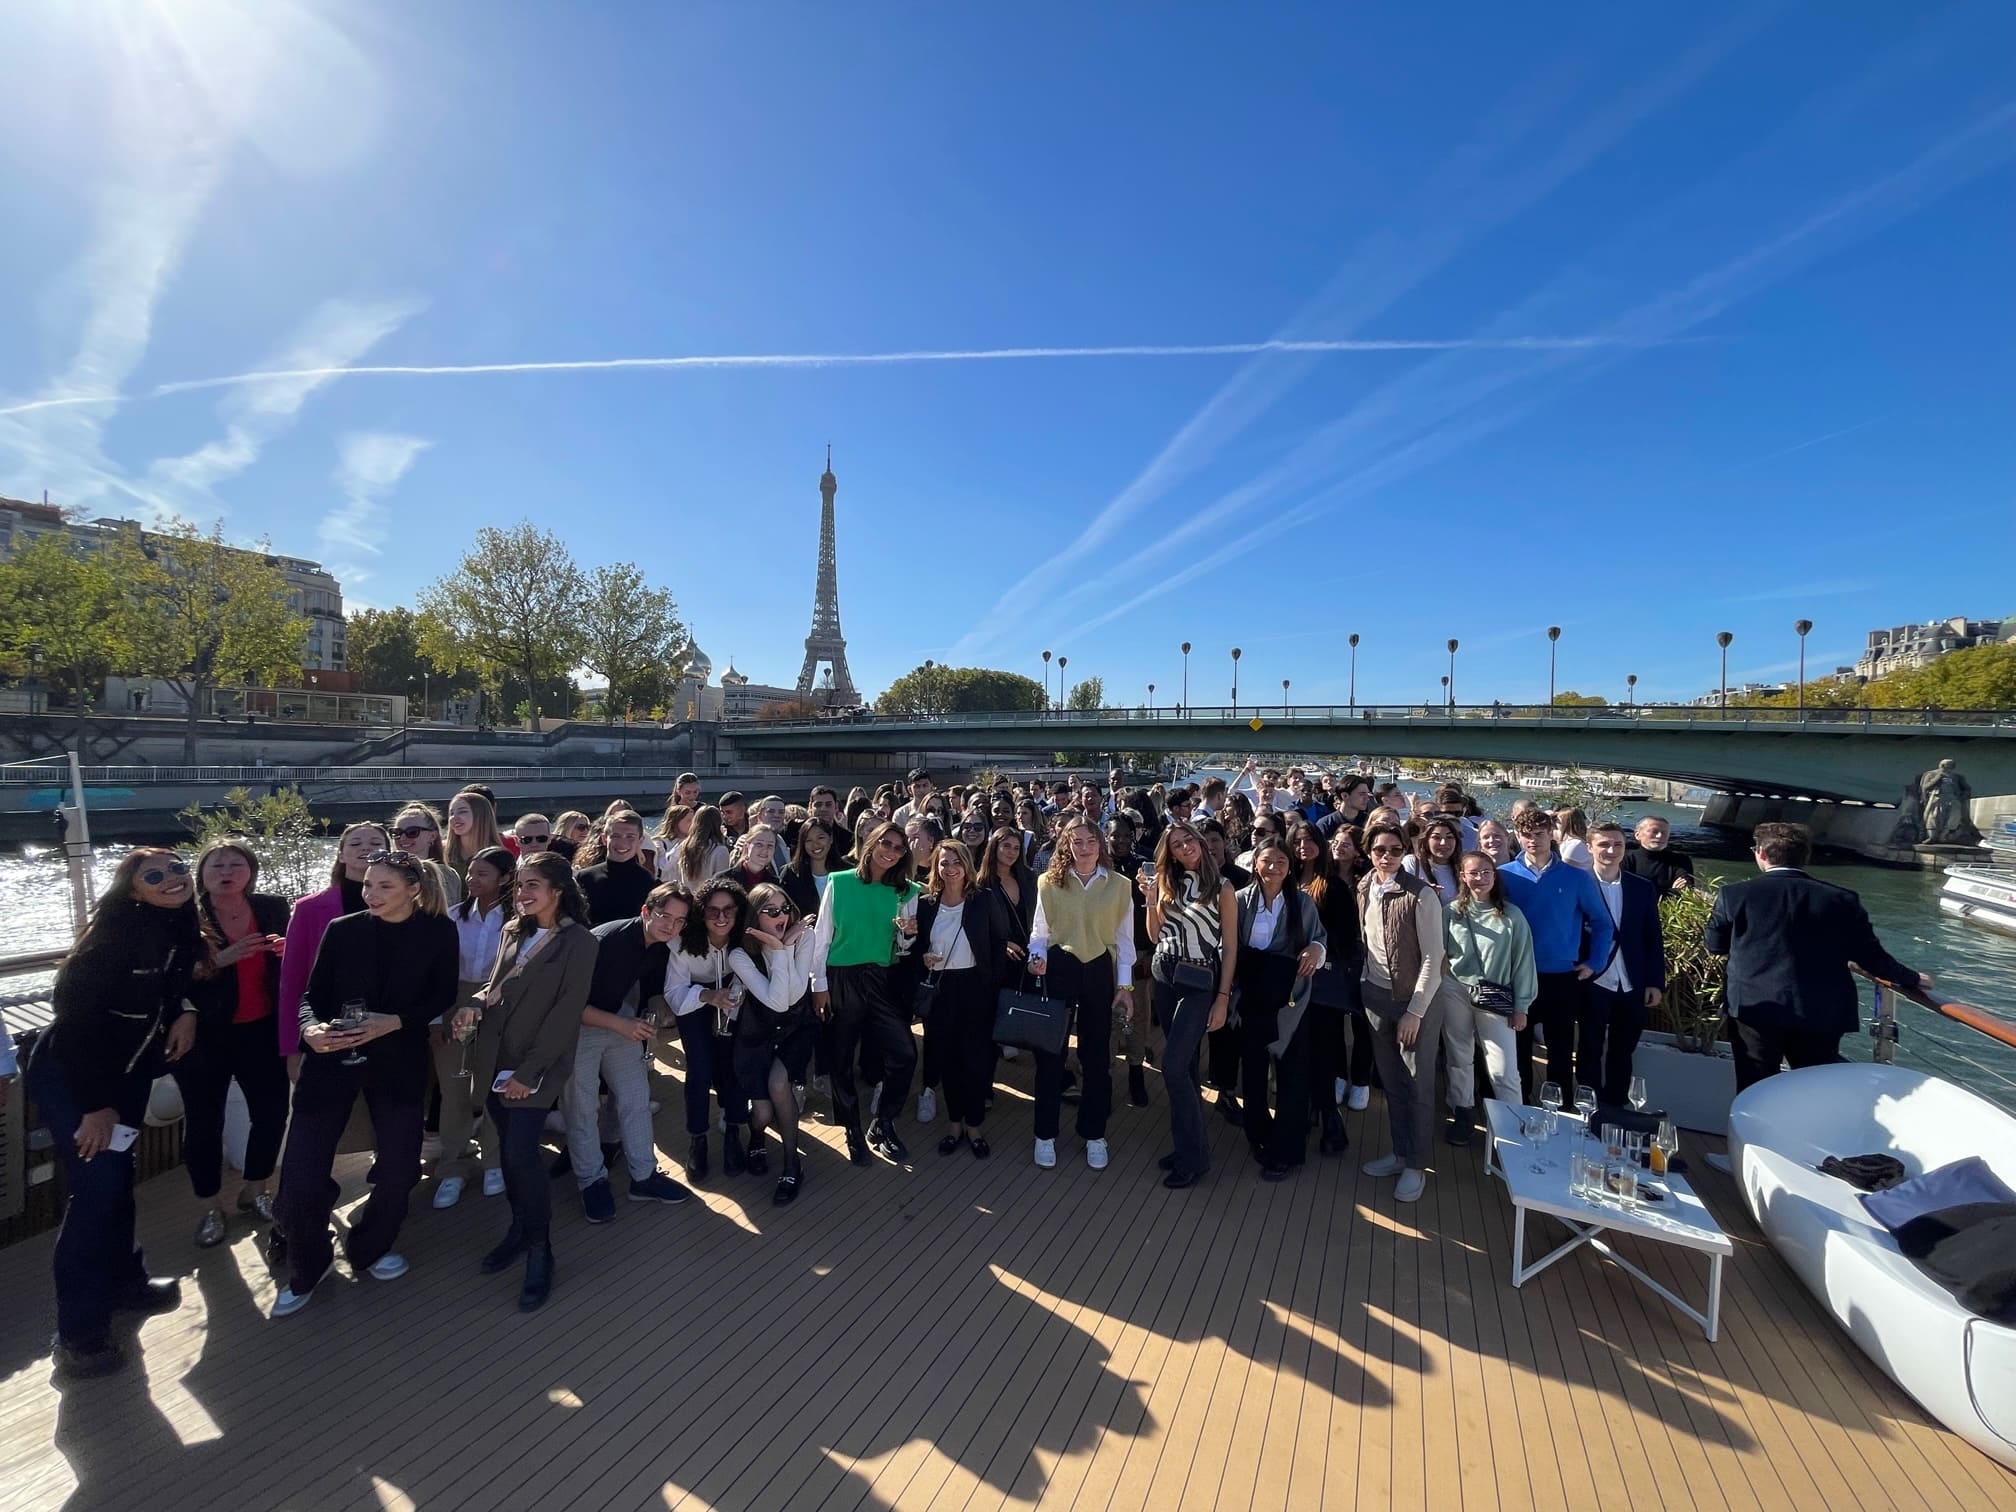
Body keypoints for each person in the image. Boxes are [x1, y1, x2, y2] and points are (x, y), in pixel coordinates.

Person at [27, 849, 200, 1377]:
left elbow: (169, 992)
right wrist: (94, 1107)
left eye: (177, 870)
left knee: (118, 1180)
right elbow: (75, 1022)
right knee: (96, 1194)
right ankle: (78, 1336)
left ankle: (125, 1284)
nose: (172, 879)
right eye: (155, 875)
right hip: (77, 1083)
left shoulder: (174, 930)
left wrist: (186, 1012)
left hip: (123, 1079)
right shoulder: (114, 939)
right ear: (132, 890)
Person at [274, 850, 458, 1317]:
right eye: (368, 885)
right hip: (332, 1056)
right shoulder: (343, 930)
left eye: (384, 887)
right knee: (300, 1177)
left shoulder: (438, 931)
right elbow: (311, 998)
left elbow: (442, 994)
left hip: (398, 1060)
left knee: (399, 1169)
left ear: (413, 889)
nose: (370, 894)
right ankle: (308, 1264)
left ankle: (369, 1247)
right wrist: (310, 1030)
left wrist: (393, 1022)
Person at [455, 852, 598, 1311]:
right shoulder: (514, 929)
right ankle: (519, 1229)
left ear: (558, 890)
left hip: (535, 1067)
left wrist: (527, 1074)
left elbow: (564, 1015)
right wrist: (472, 1007)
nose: (522, 893)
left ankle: (541, 1249)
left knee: (520, 1153)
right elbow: (496, 985)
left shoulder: (579, 943)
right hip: (495, 1058)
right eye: (518, 885)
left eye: (532, 885)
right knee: (513, 1156)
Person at [1705, 821, 1929, 1091]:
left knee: (1755, 1085)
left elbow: (1715, 945)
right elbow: (1871, 956)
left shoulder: (1734, 895)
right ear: (1805, 856)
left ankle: (1753, 1133)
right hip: (1820, 1010)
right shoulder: (1842, 899)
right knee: (1814, 1088)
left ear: (1761, 853)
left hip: (1756, 1006)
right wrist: (1912, 978)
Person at [176, 841, 290, 1248]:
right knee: (205, 1123)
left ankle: (256, 1189)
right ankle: (210, 1206)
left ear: (250, 870)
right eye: (216, 864)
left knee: (272, 1111)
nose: (226, 870)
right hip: (205, 1033)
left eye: (236, 863)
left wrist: (285, 951)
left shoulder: (274, 907)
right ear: (201, 874)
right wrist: (219, 961)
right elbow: (167, 978)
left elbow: (294, 962)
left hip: (261, 1028)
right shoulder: (185, 915)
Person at [569, 884, 695, 1221]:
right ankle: (591, 1182)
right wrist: (621, 1025)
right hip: (576, 1027)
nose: (671, 925)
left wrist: (660, 1011)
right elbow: (566, 1004)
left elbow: (652, 991)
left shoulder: (660, 946)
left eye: (679, 921)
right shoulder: (607, 941)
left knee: (635, 1099)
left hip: (618, 1020)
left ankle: (643, 1177)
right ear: (645, 911)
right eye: (664, 915)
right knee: (582, 1108)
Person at [809, 822, 922, 1165]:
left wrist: (907, 935)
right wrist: (819, 986)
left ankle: (883, 1122)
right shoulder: (839, 882)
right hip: (841, 977)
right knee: (840, 1060)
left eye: (899, 848)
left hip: (881, 977)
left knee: (904, 1053)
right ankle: (852, 1130)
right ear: (871, 842)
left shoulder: (907, 891)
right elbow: (822, 937)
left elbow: (903, 948)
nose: (890, 851)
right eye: (885, 843)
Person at [1027, 816, 1135, 1171]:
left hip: (1100, 968)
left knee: (1096, 1056)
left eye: (1091, 841)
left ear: (1100, 844)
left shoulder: (1120, 885)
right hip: (1061, 966)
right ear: (1066, 845)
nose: (1084, 848)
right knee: (1051, 1053)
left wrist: (1125, 987)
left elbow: (1124, 941)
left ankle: (1094, 1133)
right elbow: (1040, 932)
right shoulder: (1049, 882)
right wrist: (1037, 958)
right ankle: (1045, 1133)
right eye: (1077, 842)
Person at [1142, 822, 1238, 1188]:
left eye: (1188, 840)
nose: (1184, 848)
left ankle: (1195, 1157)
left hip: (1199, 979)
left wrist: (1222, 999)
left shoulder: (1223, 888)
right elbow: (1155, 935)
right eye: (1176, 845)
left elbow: (1230, 948)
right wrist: (1151, 899)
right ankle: (1188, 1146)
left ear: (1200, 842)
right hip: (1164, 973)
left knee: (1173, 1065)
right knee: (1185, 1071)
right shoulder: (1169, 883)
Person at [905, 841, 1014, 1157]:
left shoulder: (984, 900)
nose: (950, 868)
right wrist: (922, 957)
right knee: (947, 1060)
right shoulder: (925, 904)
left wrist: (992, 986)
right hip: (941, 989)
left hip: (976, 989)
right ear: (935, 867)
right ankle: (954, 1124)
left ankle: (974, 1125)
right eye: (943, 863)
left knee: (976, 1061)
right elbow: (914, 950)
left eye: (956, 862)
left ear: (967, 865)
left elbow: (998, 945)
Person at [1498, 807, 1613, 1101]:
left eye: (1539, 834)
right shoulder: (1504, 877)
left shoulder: (1577, 878)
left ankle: (1560, 1113)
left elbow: (1601, 922)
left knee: (1561, 1051)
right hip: (1517, 975)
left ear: (1552, 835)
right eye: (1526, 835)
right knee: (1518, 1050)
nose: (1533, 840)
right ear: (1518, 836)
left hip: (1562, 977)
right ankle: (1519, 1108)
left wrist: (1595, 962)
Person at [1357, 826, 1443, 1202]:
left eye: (1395, 849)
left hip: (1415, 1002)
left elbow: (1433, 958)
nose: (1387, 855)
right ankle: (1399, 1151)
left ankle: (1415, 1165)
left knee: (1418, 1085)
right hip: (1376, 996)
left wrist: (1416, 1011)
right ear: (1370, 852)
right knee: (1391, 1081)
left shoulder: (1421, 895)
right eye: (1379, 849)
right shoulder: (1364, 887)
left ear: (1404, 851)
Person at [1233, 837, 1327, 1180]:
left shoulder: (1301, 902)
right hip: (1252, 994)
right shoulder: (1241, 901)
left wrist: (1317, 949)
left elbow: (1319, 937)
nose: (1274, 868)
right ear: (1255, 862)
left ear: (1290, 868)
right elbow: (1228, 945)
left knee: (1291, 1071)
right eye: (1268, 861)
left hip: (1289, 995)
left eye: (1281, 863)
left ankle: (1286, 1148)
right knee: (1254, 1071)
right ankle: (1258, 1134)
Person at [432, 846, 514, 1208]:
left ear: (505, 878)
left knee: (492, 1082)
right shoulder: (452, 917)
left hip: (499, 1003)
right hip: (453, 999)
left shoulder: (518, 923)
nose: (472, 880)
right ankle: (452, 1165)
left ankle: (493, 1159)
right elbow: (433, 973)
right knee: (454, 1087)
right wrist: (437, 1018)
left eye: (482, 873)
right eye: (471, 873)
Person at [277, 823, 390, 1083]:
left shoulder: (407, 905)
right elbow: (292, 983)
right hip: (329, 1031)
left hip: (387, 1032)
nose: (365, 848)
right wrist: (293, 1047)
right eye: (355, 843)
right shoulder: (309, 908)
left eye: (375, 843)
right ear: (340, 855)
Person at [664, 879, 759, 1179]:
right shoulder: (682, 944)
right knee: (700, 1071)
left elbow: (753, 973)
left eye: (728, 910)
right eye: (712, 911)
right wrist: (707, 996)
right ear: (700, 914)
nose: (721, 918)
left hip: (732, 1001)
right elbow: (675, 995)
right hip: (695, 1004)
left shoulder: (745, 939)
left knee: (732, 1068)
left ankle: (733, 1132)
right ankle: (698, 1139)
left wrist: (734, 993)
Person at [733, 883, 820, 1202]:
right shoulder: (740, 954)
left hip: (796, 1029)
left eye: (786, 909)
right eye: (771, 911)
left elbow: (793, 999)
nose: (782, 916)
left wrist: (783, 949)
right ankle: (756, 1137)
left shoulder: (805, 936)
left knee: (780, 1084)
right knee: (762, 1115)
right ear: (755, 918)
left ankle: (791, 1162)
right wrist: (778, 949)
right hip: (757, 1036)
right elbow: (775, 1001)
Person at [1442, 851, 1537, 1110]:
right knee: (1458, 1056)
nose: (1480, 878)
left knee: (1503, 1067)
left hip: (1495, 992)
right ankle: (1461, 1110)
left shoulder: (1512, 916)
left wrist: (1521, 1007)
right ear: (1463, 876)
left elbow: (1524, 963)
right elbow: (1440, 954)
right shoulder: (1451, 912)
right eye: (1473, 873)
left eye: (1486, 872)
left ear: (1495, 876)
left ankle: (1513, 1120)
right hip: (1456, 989)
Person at [1583, 822, 1668, 1107]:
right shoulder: (1579, 884)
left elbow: (1652, 936)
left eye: (1617, 844)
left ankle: (1617, 1104)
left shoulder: (1641, 887)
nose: (1611, 850)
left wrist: (1655, 981)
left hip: (1632, 980)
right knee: (1589, 1047)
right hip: (1594, 979)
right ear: (1589, 848)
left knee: (1623, 1050)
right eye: (1604, 844)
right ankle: (1589, 1106)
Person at [1291, 821, 1358, 1155]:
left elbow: (1346, 940)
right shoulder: (1287, 882)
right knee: (1299, 1053)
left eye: (1310, 839)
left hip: (1321, 984)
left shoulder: (1332, 886)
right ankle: (1308, 1112)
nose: (1304, 846)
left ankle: (1331, 1120)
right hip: (1291, 983)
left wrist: (1318, 949)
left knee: (1323, 1053)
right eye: (1298, 840)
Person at [575, 809, 656, 926]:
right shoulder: (584, 878)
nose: (622, 843)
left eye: (630, 837)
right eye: (616, 836)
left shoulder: (648, 882)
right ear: (604, 839)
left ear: (640, 840)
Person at [392, 801, 465, 907]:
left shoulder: (448, 875)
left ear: (432, 836)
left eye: (412, 832)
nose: (403, 838)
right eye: (397, 833)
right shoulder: (385, 872)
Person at [782, 815, 841, 918]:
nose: (815, 844)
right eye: (809, 840)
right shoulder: (790, 874)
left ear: (830, 839)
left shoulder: (847, 871)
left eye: (821, 837)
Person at [665, 803, 731, 888]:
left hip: (688, 897)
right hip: (709, 898)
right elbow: (722, 882)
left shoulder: (685, 846)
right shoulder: (720, 850)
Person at [445, 789, 508, 879]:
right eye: (451, 813)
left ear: (480, 815)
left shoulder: (500, 857)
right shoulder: (442, 852)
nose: (454, 818)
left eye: (462, 811)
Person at [1624, 815, 1695, 894]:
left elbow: (1685, 891)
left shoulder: (1681, 860)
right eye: (1654, 831)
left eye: (1664, 833)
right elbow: (1626, 890)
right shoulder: (1625, 858)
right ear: (1637, 835)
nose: (1660, 836)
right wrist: (1671, 891)